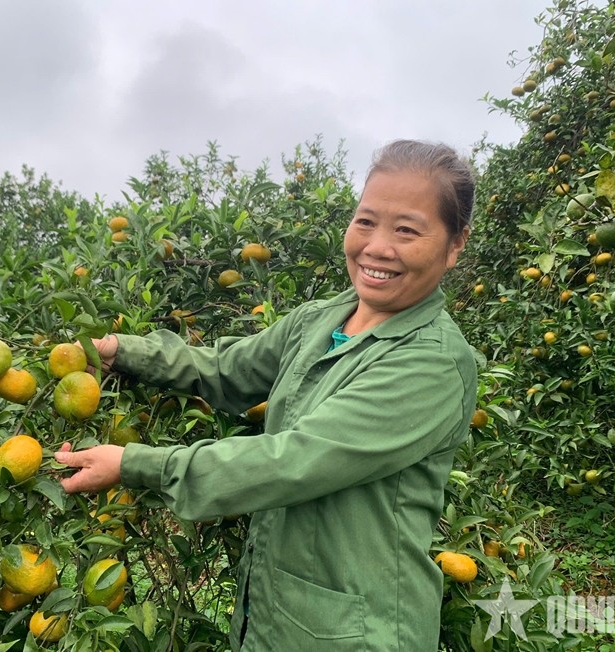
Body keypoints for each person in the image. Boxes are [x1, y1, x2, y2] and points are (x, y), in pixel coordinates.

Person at [55, 139, 477, 651]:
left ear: (454, 246)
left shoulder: (432, 363)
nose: (378, 246)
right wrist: (123, 351)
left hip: (361, 630)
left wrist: (137, 465)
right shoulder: (321, 318)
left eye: (406, 230)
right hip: (273, 615)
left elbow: (292, 461)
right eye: (366, 221)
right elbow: (225, 370)